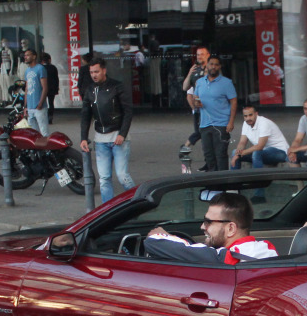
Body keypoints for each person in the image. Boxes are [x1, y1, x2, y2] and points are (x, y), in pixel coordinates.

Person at [144, 193, 277, 264]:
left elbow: (153, 241)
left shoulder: (229, 258)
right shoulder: (267, 249)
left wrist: (165, 235)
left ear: (231, 228)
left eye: (208, 222)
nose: (202, 226)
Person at [77, 56, 135, 203]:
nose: (94, 75)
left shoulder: (117, 86)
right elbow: (85, 115)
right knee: (104, 178)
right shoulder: (90, 90)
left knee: (123, 176)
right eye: (91, 72)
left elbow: (128, 111)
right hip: (101, 138)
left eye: (96, 71)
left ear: (104, 70)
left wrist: (122, 133)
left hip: (117, 136)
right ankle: (107, 209)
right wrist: (83, 137)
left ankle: (139, 201)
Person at [191, 56, 237, 171]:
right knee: (208, 155)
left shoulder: (226, 83)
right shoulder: (200, 82)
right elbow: (195, 98)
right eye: (211, 64)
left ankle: (223, 183)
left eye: (216, 64)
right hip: (204, 124)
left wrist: (231, 122)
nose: (213, 67)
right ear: (207, 65)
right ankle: (213, 184)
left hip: (221, 124)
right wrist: (196, 103)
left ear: (219, 67)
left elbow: (234, 101)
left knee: (220, 155)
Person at [231, 105, 289, 170]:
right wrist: (237, 153)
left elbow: (260, 146)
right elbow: (242, 142)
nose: (248, 118)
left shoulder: (264, 123)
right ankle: (233, 179)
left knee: (256, 153)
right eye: (245, 116)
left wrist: (241, 153)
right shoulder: (246, 123)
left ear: (256, 114)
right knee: (234, 152)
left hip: (280, 152)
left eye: (250, 115)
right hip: (263, 153)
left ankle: (257, 179)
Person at [181, 45, 210, 153]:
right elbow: (185, 88)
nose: (199, 57)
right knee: (200, 131)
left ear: (208, 55)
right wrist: (189, 73)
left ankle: (186, 146)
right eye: (198, 55)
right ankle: (207, 162)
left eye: (202, 54)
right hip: (198, 109)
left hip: (210, 108)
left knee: (207, 133)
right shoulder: (195, 70)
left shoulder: (213, 69)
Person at [22, 48, 49, 134]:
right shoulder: (27, 71)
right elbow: (27, 88)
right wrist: (25, 106)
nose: (25, 57)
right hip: (30, 107)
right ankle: (36, 148)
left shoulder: (40, 69)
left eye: (28, 55)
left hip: (39, 107)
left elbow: (45, 87)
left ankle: (46, 147)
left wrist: (40, 103)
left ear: (34, 57)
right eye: (25, 55)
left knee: (43, 131)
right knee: (33, 133)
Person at [40, 52, 60, 124]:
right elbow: (56, 78)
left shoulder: (41, 68)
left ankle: (43, 116)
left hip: (42, 88)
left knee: (43, 102)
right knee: (51, 103)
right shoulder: (53, 67)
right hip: (52, 88)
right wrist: (57, 87)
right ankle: (50, 117)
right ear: (49, 60)